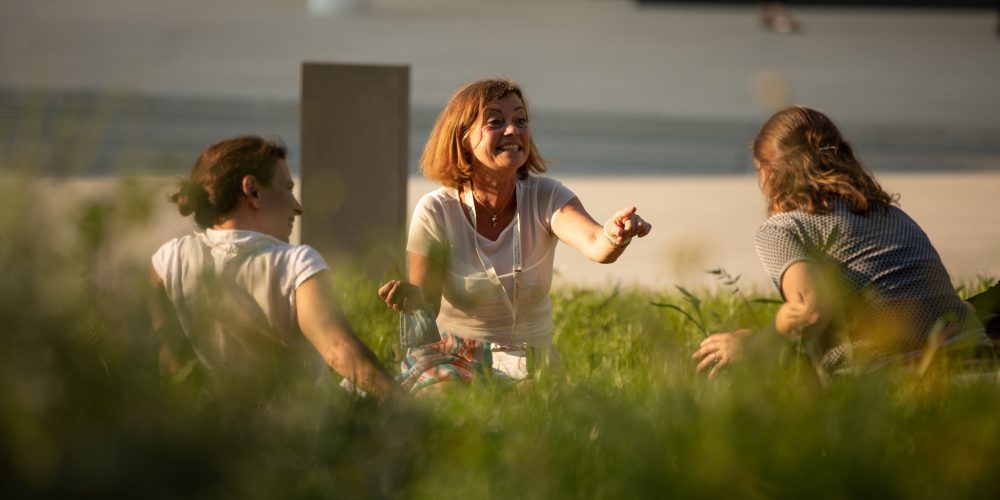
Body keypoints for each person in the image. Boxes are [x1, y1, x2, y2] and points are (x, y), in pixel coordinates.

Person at [378, 79, 651, 392]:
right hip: (454, 357)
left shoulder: (546, 196)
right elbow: (426, 309)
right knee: (446, 397)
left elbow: (595, 243)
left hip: (531, 360)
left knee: (534, 408)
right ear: (463, 138)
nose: (512, 130)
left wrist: (616, 234)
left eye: (520, 120)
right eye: (496, 121)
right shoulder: (436, 209)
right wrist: (411, 298)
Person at [692, 106, 993, 379]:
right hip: (978, 363)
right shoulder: (892, 215)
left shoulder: (784, 228)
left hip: (893, 380)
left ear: (770, 174)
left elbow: (808, 311)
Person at [150, 135, 399, 398]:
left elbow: (171, 367)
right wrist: (412, 415)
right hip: (306, 431)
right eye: (288, 188)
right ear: (252, 190)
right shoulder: (296, 264)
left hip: (220, 429)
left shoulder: (167, 263)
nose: (298, 206)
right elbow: (338, 350)